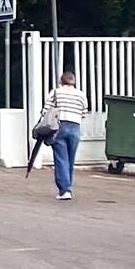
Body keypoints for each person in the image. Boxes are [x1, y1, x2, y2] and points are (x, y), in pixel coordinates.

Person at [45, 71, 88, 201]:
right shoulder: (81, 95)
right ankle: (68, 187)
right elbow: (84, 113)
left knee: (61, 158)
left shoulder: (55, 93)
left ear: (60, 81)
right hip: (75, 127)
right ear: (74, 81)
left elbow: (46, 110)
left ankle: (65, 190)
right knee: (70, 159)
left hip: (59, 127)